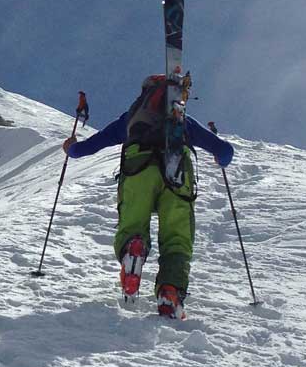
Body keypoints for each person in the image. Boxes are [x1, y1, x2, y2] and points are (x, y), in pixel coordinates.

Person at [62, 75, 233, 319]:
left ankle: (134, 249)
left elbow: (89, 147)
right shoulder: (184, 121)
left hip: (137, 166)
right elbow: (226, 151)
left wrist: (72, 148)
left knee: (132, 223)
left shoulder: (132, 117)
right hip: (178, 170)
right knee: (177, 237)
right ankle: (170, 291)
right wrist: (221, 157)